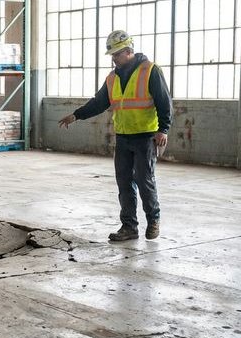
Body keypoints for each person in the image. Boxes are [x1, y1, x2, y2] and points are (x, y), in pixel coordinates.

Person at [58, 30, 172, 241]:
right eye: (112, 55)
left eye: (116, 54)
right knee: (124, 182)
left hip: (146, 136)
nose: (113, 59)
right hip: (123, 137)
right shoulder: (112, 78)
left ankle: (153, 220)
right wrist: (76, 115)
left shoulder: (150, 71)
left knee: (144, 180)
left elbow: (164, 101)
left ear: (129, 51)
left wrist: (163, 129)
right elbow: (100, 102)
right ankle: (129, 227)